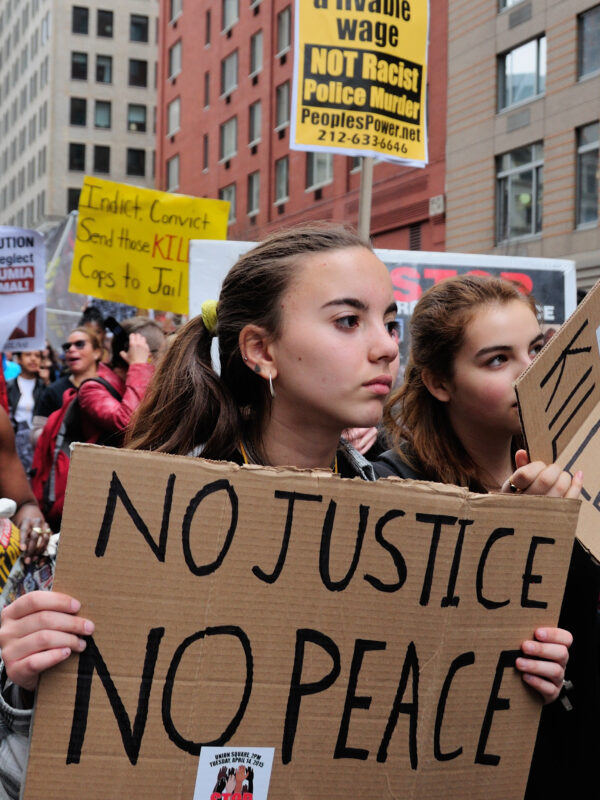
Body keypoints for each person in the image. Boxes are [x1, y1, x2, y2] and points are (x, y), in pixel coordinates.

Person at [0, 227, 577, 796]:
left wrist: (513, 682)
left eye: (390, 322)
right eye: (348, 321)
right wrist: (26, 691)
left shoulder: (411, 533)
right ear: (260, 350)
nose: (385, 347)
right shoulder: (135, 524)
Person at [373, 274, 592, 797]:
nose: (530, 371)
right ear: (439, 382)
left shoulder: (578, 464)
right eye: (498, 359)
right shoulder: (395, 489)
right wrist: (517, 538)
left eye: (536, 347)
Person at [77, 317, 165, 445]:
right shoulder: (92, 389)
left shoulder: (152, 384)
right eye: (163, 352)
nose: (165, 358)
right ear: (148, 356)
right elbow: (128, 423)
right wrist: (139, 366)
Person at [33, 328, 104, 429]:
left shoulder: (110, 388)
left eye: (79, 344)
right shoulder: (53, 391)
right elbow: (36, 434)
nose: (71, 349)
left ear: (97, 353)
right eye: (67, 346)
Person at [6, 352, 45, 474]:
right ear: (19, 359)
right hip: (13, 444)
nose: (33, 358)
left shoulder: (45, 387)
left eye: (37, 356)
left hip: (36, 444)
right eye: (28, 355)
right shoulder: (9, 386)